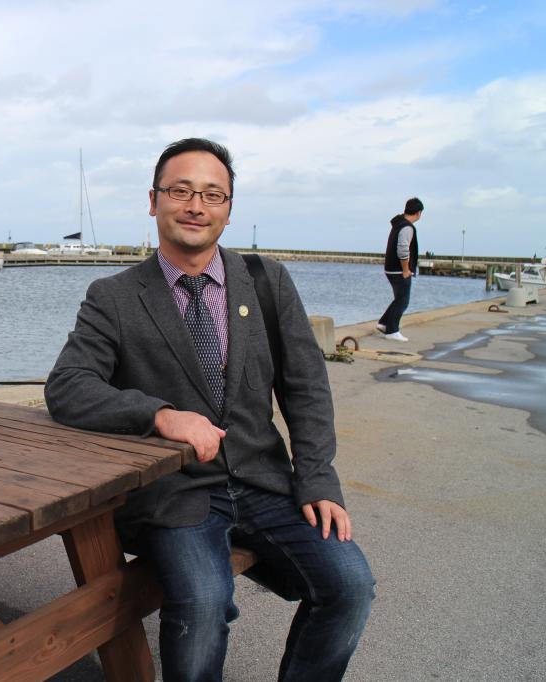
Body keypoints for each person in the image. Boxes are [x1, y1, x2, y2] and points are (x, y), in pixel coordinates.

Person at [45, 138, 374, 682]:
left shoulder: (266, 282)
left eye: (212, 194)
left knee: (350, 584)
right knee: (202, 601)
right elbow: (68, 387)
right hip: (177, 492)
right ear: (153, 201)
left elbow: (307, 388)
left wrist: (318, 479)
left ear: (228, 209)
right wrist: (160, 415)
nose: (196, 206)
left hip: (265, 482)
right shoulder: (114, 296)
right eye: (181, 191)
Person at [377, 198, 424, 342]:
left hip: (390, 268)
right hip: (399, 270)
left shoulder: (398, 223)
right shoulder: (407, 227)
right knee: (403, 301)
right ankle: (392, 331)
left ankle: (384, 323)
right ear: (418, 213)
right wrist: (406, 269)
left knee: (399, 299)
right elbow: (403, 250)